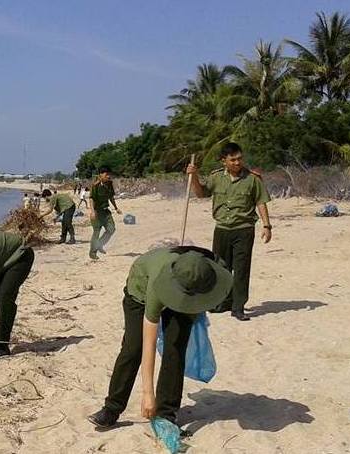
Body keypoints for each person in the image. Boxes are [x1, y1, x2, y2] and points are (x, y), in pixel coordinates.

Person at [88, 246, 232, 429]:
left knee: (176, 348)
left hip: (188, 288)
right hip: (140, 293)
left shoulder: (210, 271)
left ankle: (166, 415)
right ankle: (111, 408)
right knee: (134, 348)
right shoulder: (157, 283)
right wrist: (148, 394)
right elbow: (149, 343)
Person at [186, 142, 272, 321]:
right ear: (223, 161)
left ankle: (238, 306)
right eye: (233, 160)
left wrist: (267, 225)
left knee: (241, 269)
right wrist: (194, 176)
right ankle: (221, 302)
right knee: (220, 268)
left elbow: (260, 202)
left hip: (244, 229)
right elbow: (201, 194)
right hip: (222, 229)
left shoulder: (252, 179)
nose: (237, 163)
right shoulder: (216, 178)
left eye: (239, 159)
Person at [89, 167, 121, 260]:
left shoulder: (109, 184)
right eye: (106, 174)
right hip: (97, 212)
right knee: (96, 232)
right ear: (100, 175)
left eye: (109, 174)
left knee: (111, 229)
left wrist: (116, 208)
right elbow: (91, 198)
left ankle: (99, 244)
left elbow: (111, 197)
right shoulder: (95, 185)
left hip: (106, 211)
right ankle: (92, 253)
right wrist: (92, 211)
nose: (108, 176)